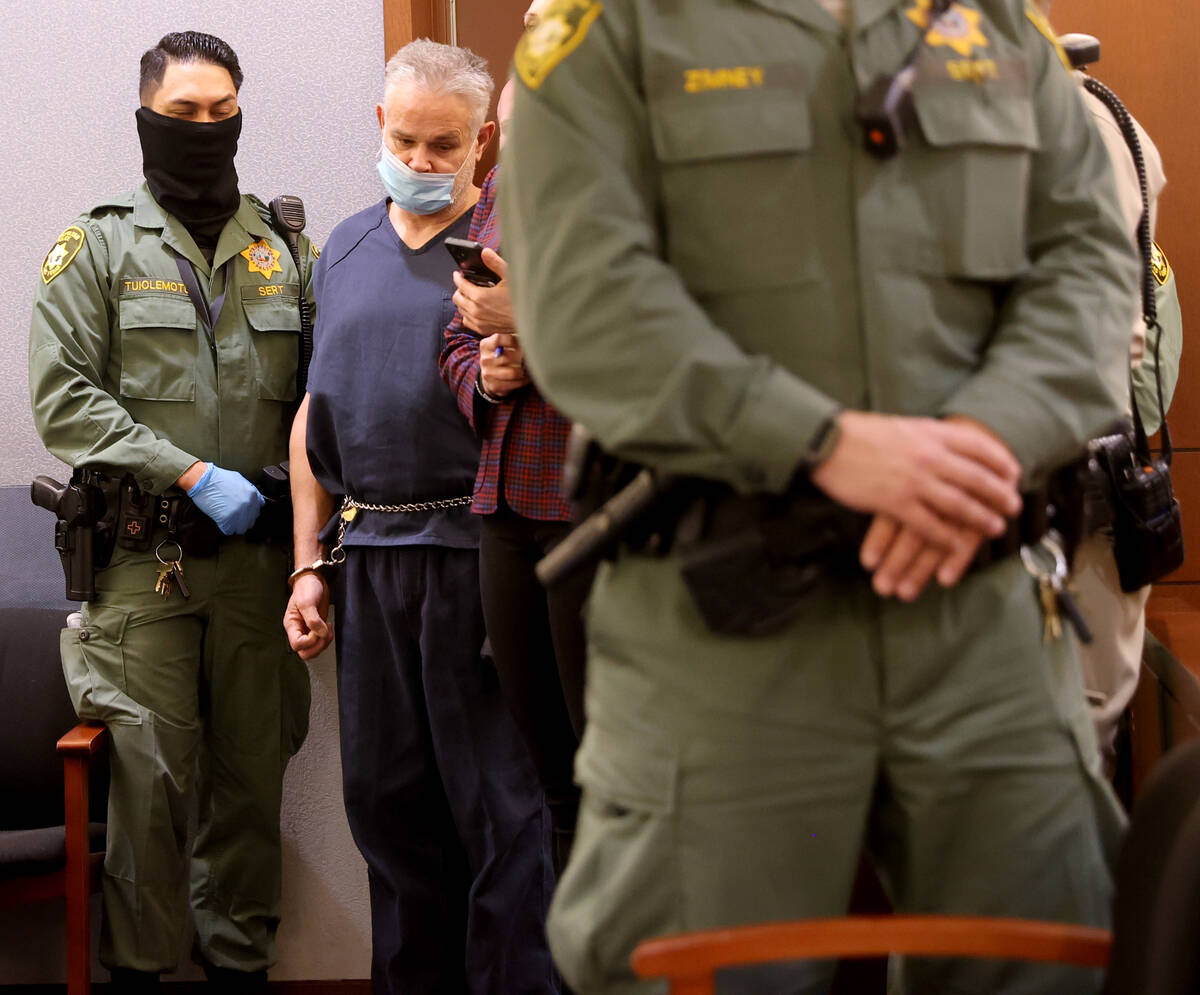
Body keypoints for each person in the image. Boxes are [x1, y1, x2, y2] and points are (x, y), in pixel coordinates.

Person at [501, 2, 1139, 993]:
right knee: (689, 972)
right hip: (723, 631)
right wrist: (821, 442)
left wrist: (986, 436)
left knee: (1047, 960)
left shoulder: (998, 24)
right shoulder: (613, 30)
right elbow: (587, 302)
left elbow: (1091, 263)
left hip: (981, 622)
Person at [27, 32, 313, 991]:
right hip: (143, 566)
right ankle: (142, 969)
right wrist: (188, 472)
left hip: (258, 571)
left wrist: (299, 509)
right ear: (146, 116)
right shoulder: (97, 243)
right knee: (149, 794)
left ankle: (240, 964)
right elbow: (63, 399)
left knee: (250, 788)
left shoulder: (284, 246)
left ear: (241, 111)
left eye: (221, 110)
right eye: (183, 112)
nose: (204, 127)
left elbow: (324, 399)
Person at [281, 39, 557, 995]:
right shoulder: (345, 247)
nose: (425, 161)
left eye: (447, 144)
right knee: (387, 806)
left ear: (484, 141)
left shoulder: (512, 245)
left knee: (503, 812)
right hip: (371, 560)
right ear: (379, 130)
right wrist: (307, 563)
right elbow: (313, 414)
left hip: (481, 554)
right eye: (408, 140)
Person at [438, 17, 590, 880]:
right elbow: (453, 335)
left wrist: (531, 322)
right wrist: (488, 374)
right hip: (504, 504)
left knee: (612, 780)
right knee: (552, 781)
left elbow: (665, 340)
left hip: (596, 506)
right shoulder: (495, 190)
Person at [1041, 7, 1185, 771]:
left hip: (1074, 499)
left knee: (1074, 742)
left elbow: (1103, 347)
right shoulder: (1110, 118)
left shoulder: (1079, 129)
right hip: (1088, 490)